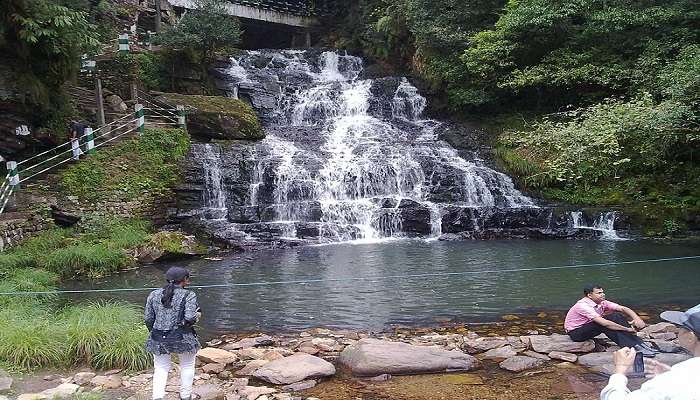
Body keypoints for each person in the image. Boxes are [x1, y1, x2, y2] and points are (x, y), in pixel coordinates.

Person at [600, 304, 700, 399]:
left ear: (690, 337)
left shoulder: (675, 380)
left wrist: (619, 372)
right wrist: (670, 374)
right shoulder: (682, 376)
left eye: (680, 327)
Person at [145, 267, 201, 400]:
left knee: (161, 368)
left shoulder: (153, 294)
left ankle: (157, 397)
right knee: (187, 365)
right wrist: (198, 315)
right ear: (185, 281)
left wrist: (153, 332)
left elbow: (148, 318)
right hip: (183, 337)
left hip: (158, 337)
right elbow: (190, 318)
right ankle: (186, 396)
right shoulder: (189, 294)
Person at [564, 284, 658, 356]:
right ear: (589, 295)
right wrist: (627, 329)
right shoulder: (583, 306)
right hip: (576, 333)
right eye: (599, 293)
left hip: (588, 327)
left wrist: (637, 318)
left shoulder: (602, 302)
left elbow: (623, 308)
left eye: (602, 292)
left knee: (616, 315)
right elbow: (605, 323)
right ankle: (631, 347)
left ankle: (639, 343)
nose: (603, 294)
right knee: (606, 324)